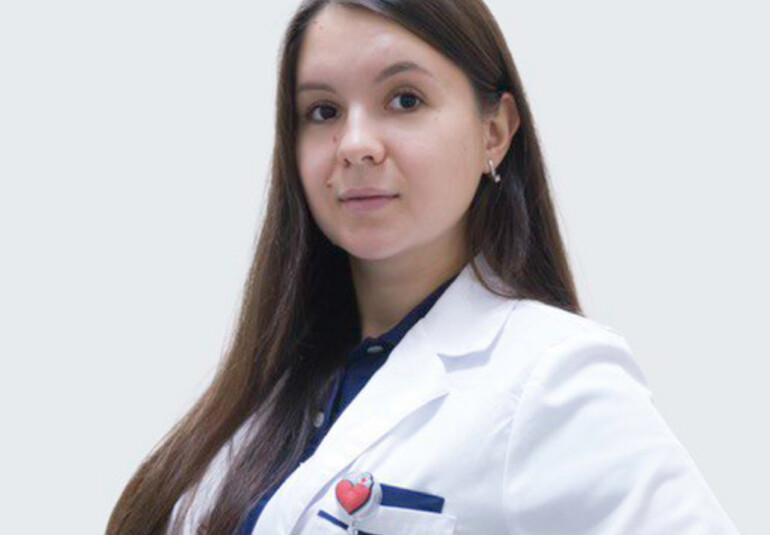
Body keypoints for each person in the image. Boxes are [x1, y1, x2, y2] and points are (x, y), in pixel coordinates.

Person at [107, 1, 741, 533]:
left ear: (495, 132)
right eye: (323, 111)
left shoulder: (551, 377)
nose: (355, 145)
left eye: (404, 99)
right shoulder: (270, 389)